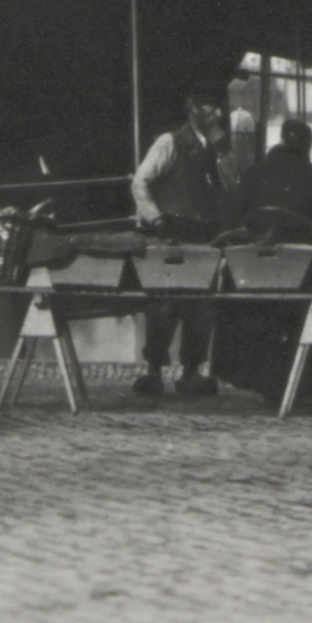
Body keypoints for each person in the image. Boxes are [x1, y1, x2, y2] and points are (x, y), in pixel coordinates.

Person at [129, 85, 233, 399]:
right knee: (163, 303)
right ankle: (153, 372)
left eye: (219, 108)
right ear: (193, 110)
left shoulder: (214, 147)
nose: (218, 114)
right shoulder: (169, 142)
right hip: (173, 231)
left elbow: (232, 185)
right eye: (210, 108)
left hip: (203, 233)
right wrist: (155, 219)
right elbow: (140, 181)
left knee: (201, 306)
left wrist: (223, 154)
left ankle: (191, 372)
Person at [241, 118, 312, 241]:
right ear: (308, 146)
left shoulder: (251, 174)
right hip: (302, 250)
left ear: (281, 140)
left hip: (251, 249)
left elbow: (235, 218)